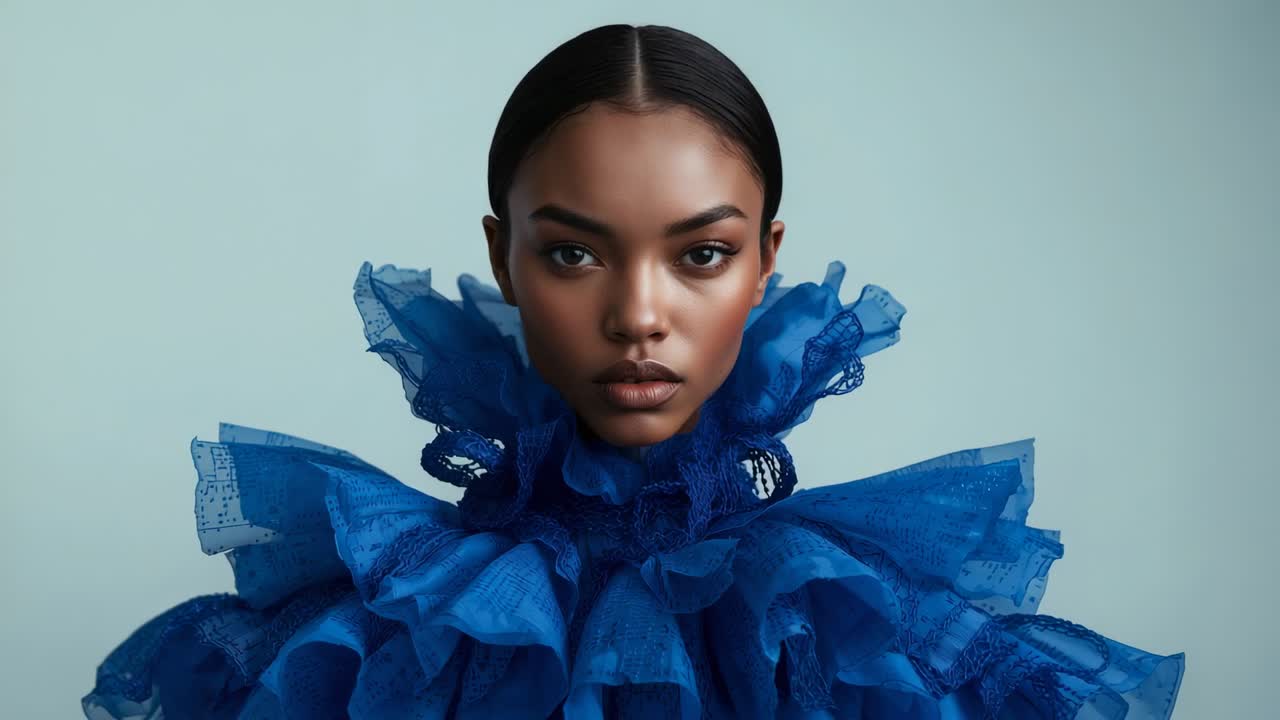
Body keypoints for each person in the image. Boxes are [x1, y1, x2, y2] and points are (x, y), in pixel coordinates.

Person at [82, 23, 1185, 719]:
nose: (637, 315)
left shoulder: (840, 628)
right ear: (498, 258)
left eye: (700, 253)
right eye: (571, 251)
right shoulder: (382, 641)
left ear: (764, 265)